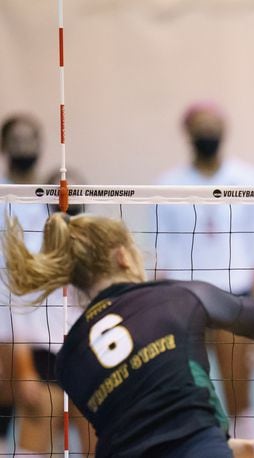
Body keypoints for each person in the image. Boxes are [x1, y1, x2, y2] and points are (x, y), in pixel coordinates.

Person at [3, 212, 254, 457]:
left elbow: (145, 434)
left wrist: (249, 448)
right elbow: (244, 312)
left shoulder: (69, 360)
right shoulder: (173, 297)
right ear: (122, 256)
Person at [155, 102, 254, 438]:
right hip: (183, 298)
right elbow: (162, 259)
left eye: (212, 127)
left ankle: (248, 444)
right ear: (187, 133)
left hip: (234, 296)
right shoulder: (167, 185)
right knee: (191, 396)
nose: (207, 134)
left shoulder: (250, 180)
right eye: (200, 128)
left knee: (239, 397)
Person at [0, 114, 93, 456]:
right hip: (37, 353)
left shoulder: (93, 252)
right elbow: (17, 305)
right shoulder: (35, 253)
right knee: (37, 418)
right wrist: (23, 367)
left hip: (80, 356)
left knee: (95, 429)